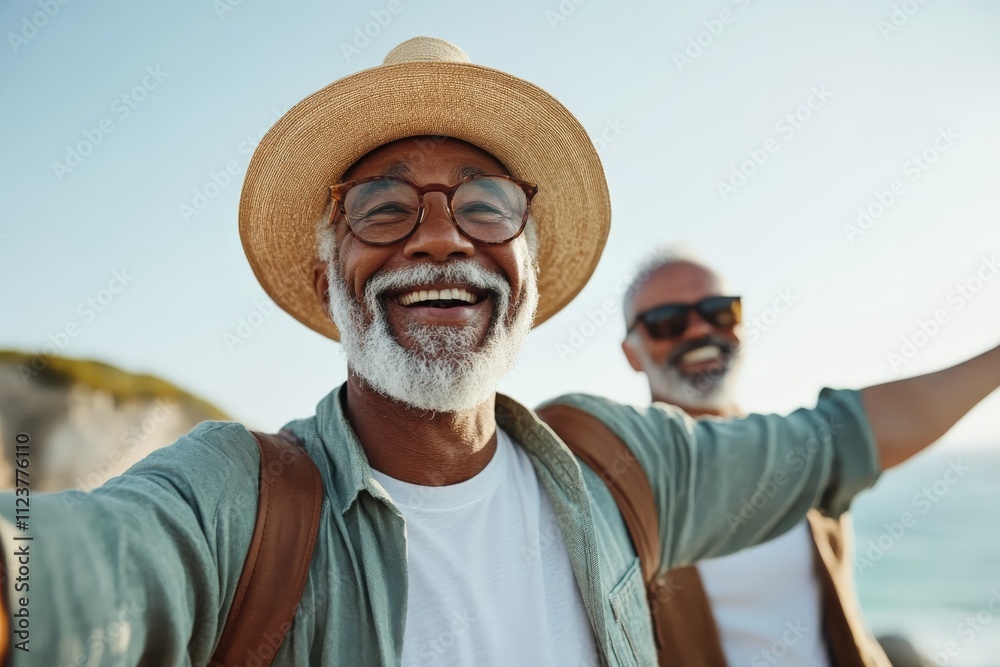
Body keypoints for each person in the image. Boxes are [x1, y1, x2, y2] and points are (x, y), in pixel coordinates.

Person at [1, 37, 998, 666]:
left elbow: (837, 438)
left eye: (485, 205)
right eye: (381, 208)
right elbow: (77, 570)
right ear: (324, 278)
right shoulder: (239, 495)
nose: (440, 236)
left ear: (530, 269)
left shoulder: (621, 463)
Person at [620, 249, 890, 666]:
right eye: (667, 321)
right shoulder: (620, 481)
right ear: (633, 354)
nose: (699, 329)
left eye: (719, 311)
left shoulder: (800, 454)